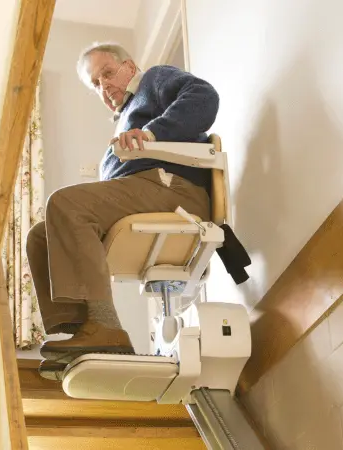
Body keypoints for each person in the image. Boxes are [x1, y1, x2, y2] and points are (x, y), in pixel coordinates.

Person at [26, 42, 219, 380]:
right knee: (41, 235)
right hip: (146, 192)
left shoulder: (154, 80)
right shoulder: (124, 120)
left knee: (65, 203)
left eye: (107, 73)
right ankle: (81, 328)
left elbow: (204, 97)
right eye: (95, 84)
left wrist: (152, 133)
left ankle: (106, 328)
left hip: (173, 190)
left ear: (129, 67)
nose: (104, 86)